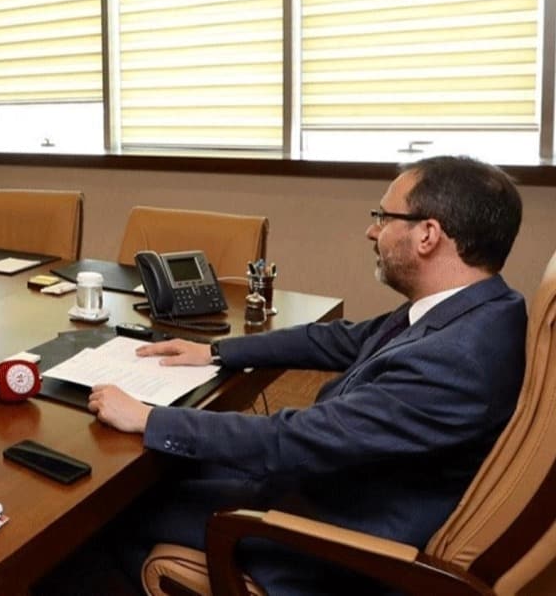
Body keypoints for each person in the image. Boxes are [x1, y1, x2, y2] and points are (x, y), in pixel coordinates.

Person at [84, 156, 526, 595]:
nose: (371, 231)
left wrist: (149, 418)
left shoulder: (455, 359)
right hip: (340, 482)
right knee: (167, 469)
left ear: (427, 234)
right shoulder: (480, 309)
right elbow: (342, 339)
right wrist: (216, 351)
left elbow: (291, 440)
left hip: (324, 535)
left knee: (111, 512)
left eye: (383, 217)